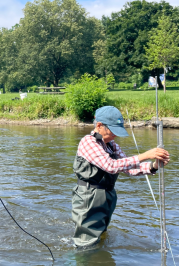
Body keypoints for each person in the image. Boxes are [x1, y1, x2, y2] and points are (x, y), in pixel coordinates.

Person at [71, 106, 170, 248]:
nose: (115, 135)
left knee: (100, 234)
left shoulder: (111, 145)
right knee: (86, 242)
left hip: (108, 195)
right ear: (99, 126)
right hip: (88, 197)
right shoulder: (88, 142)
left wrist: (153, 166)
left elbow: (128, 168)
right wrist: (145, 155)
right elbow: (111, 166)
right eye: (113, 131)